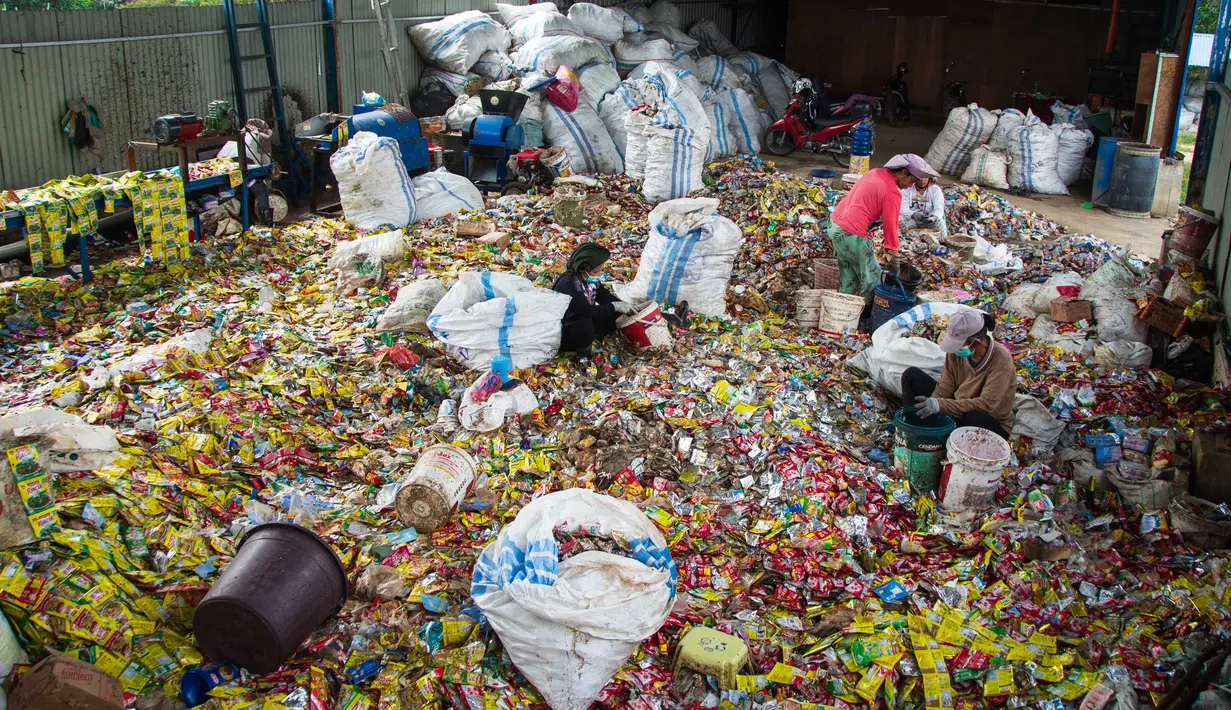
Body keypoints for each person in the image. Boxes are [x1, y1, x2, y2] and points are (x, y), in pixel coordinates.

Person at [827, 154, 938, 299]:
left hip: (835, 226)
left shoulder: (875, 173)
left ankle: (841, 311)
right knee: (873, 280)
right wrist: (895, 258)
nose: (910, 185)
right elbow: (890, 226)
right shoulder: (892, 192)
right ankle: (863, 314)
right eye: (911, 180)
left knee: (849, 276)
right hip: (852, 234)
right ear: (903, 172)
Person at [901, 308, 1017, 439]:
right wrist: (932, 407)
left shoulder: (1001, 360)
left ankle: (946, 439)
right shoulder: (955, 353)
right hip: (957, 408)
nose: (955, 350)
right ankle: (913, 429)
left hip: (988, 420)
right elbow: (945, 388)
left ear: (976, 342)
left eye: (959, 345)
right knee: (911, 376)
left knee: (973, 417)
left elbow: (986, 405)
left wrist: (942, 405)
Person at [553, 243, 635, 357]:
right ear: (583, 269)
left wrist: (624, 306)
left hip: (587, 319)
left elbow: (604, 297)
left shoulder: (589, 280)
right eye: (596, 272)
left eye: (600, 270)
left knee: (616, 314)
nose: (599, 275)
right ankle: (583, 352)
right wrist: (614, 306)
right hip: (567, 329)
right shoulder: (567, 284)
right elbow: (586, 310)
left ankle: (610, 339)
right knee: (584, 324)